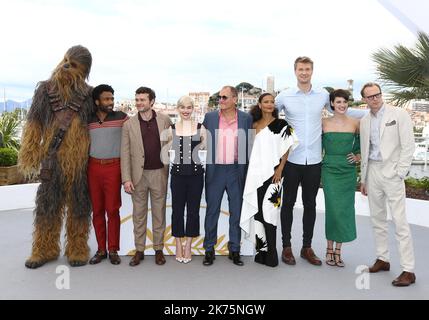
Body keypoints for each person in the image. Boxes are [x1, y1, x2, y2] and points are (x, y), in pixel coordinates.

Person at [275, 56, 366, 266]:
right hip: (292, 159)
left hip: (315, 161)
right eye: (300, 69)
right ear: (295, 71)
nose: (304, 72)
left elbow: (340, 109)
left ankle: (307, 247)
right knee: (287, 204)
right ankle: (286, 247)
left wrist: (370, 112)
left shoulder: (323, 95)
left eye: (307, 69)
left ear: (312, 71)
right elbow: (268, 111)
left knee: (310, 204)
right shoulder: (285, 96)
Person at [19, 45, 94, 269]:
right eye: (66, 60)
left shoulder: (89, 95)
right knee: (47, 207)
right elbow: (34, 124)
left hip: (81, 165)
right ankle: (44, 248)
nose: (66, 66)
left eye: (73, 65)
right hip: (53, 161)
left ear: (84, 71)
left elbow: (98, 126)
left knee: (80, 208)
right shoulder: (45, 90)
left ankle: (78, 248)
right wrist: (30, 153)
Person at [360, 82, 416, 287]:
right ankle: (382, 259)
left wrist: (400, 172)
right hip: (373, 172)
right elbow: (366, 151)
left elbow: (408, 145)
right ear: (364, 99)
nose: (375, 99)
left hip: (392, 173)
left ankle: (408, 270)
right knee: (377, 219)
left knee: (400, 222)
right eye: (370, 96)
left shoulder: (399, 114)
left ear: (381, 95)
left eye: (377, 95)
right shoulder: (365, 121)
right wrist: (363, 178)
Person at [240, 93, 298, 267]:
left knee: (270, 214)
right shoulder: (253, 125)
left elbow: (287, 147)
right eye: (266, 102)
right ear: (259, 104)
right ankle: (261, 252)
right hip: (254, 175)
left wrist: (280, 169)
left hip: (274, 175)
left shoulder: (282, 124)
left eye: (272, 102)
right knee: (258, 214)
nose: (270, 104)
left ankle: (272, 253)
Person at [121, 86, 172, 267]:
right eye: (137, 100)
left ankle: (159, 250)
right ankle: (139, 250)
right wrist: (126, 178)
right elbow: (125, 153)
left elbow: (174, 142)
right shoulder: (128, 125)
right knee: (139, 215)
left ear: (151, 101)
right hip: (137, 177)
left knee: (159, 214)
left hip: (159, 173)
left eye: (142, 100)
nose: (138, 103)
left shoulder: (165, 120)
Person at [202, 85, 253, 266]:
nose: (221, 101)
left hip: (235, 171)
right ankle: (209, 249)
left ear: (234, 99)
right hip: (215, 170)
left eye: (224, 97)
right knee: (212, 211)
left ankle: (235, 250)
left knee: (236, 212)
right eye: (219, 98)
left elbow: (250, 146)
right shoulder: (209, 118)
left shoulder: (246, 119)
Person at [87, 84, 128, 265]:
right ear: (97, 101)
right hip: (93, 168)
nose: (111, 102)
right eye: (107, 99)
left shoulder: (122, 118)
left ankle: (113, 249)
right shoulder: (87, 120)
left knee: (112, 210)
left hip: (114, 167)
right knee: (97, 211)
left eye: (112, 98)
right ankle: (101, 250)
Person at [321, 89, 360, 268]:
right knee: (332, 209)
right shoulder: (323, 123)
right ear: (332, 104)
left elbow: (361, 145)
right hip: (329, 169)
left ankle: (338, 250)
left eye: (345, 102)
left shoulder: (355, 123)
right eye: (338, 102)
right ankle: (329, 248)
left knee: (344, 209)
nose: (342, 105)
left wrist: (358, 157)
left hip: (348, 171)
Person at [168, 96, 206, 264]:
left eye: (189, 107)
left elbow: (204, 151)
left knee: (193, 210)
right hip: (177, 176)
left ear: (193, 109)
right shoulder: (171, 129)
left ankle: (188, 244)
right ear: (178, 108)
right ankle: (178, 243)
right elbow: (169, 152)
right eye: (182, 107)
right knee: (177, 210)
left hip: (196, 176)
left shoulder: (201, 128)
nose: (185, 110)